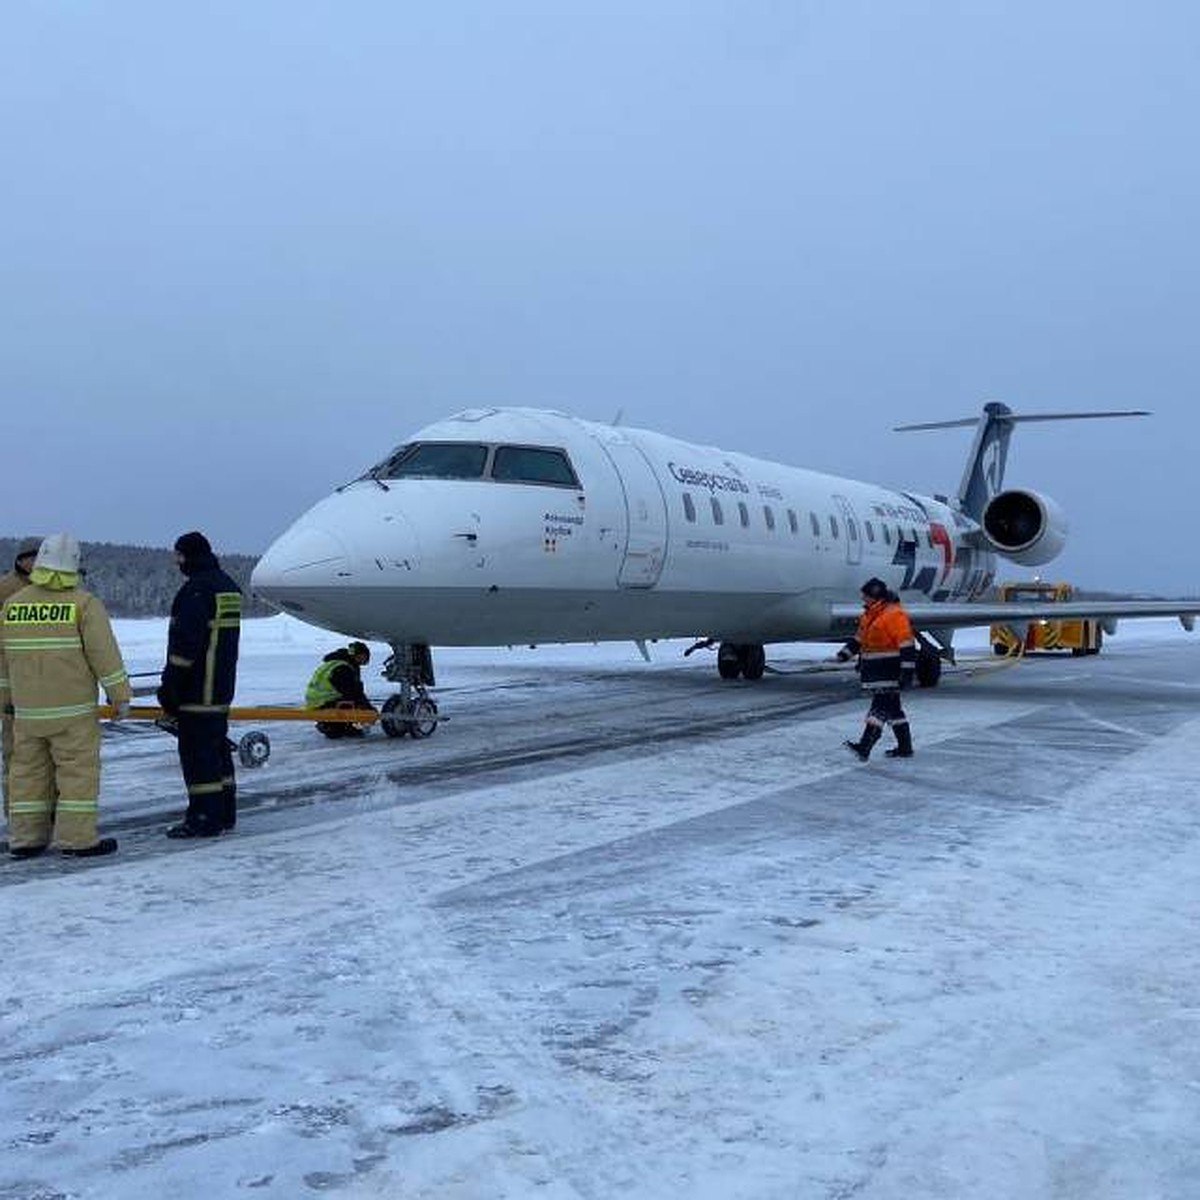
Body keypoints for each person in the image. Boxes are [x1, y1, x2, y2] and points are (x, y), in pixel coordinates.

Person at [0, 533, 131, 858]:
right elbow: (105, 656)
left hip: (27, 714)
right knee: (76, 775)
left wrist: (6, 701)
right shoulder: (83, 604)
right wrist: (119, 695)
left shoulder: (13, 607)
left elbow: (5, 660)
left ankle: (26, 838)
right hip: (72, 714)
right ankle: (76, 839)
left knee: (27, 775)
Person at [158, 531, 242, 838]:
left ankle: (204, 818)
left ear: (187, 556)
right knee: (217, 751)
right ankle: (224, 812)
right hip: (220, 687)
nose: (176, 561)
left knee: (198, 756)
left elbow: (186, 646)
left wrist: (170, 687)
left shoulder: (197, 591)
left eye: (178, 556)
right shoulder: (226, 586)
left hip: (197, 690)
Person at [836, 576, 917, 761]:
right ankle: (905, 747)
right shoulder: (869, 615)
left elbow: (906, 644)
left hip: (889, 671)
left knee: (879, 709)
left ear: (875, 596)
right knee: (894, 710)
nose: (863, 599)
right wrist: (845, 654)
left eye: (865, 596)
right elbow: (859, 640)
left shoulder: (894, 615)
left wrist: (906, 672)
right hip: (875, 671)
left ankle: (865, 747)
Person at [0, 538, 41, 816]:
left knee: (47, 753)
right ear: (21, 560)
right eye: (31, 558)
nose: (36, 563)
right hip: (12, 682)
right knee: (16, 752)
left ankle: (46, 808)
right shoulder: (6, 589)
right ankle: (17, 812)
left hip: (46, 683)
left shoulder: (52, 588)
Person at [305, 641, 377, 738]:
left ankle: (330, 725)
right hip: (326, 702)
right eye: (363, 656)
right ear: (358, 655)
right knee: (351, 702)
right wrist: (368, 709)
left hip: (315, 702)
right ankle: (341, 726)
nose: (364, 660)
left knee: (336, 730)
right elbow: (353, 692)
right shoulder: (343, 668)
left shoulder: (333, 663)